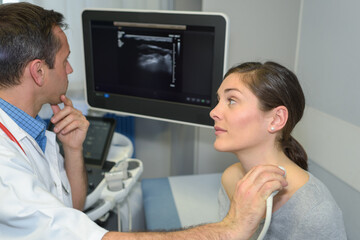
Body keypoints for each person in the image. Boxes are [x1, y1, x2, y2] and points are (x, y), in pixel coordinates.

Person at [0, 2, 287, 240]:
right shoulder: (5, 169)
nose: (71, 69)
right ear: (38, 72)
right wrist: (231, 229)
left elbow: (69, 209)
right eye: (65, 62)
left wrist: (73, 150)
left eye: (232, 100)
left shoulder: (33, 126)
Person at [210, 61, 347, 239]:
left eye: (232, 101)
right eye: (218, 100)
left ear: (276, 119)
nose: (214, 112)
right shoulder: (231, 179)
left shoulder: (314, 209)